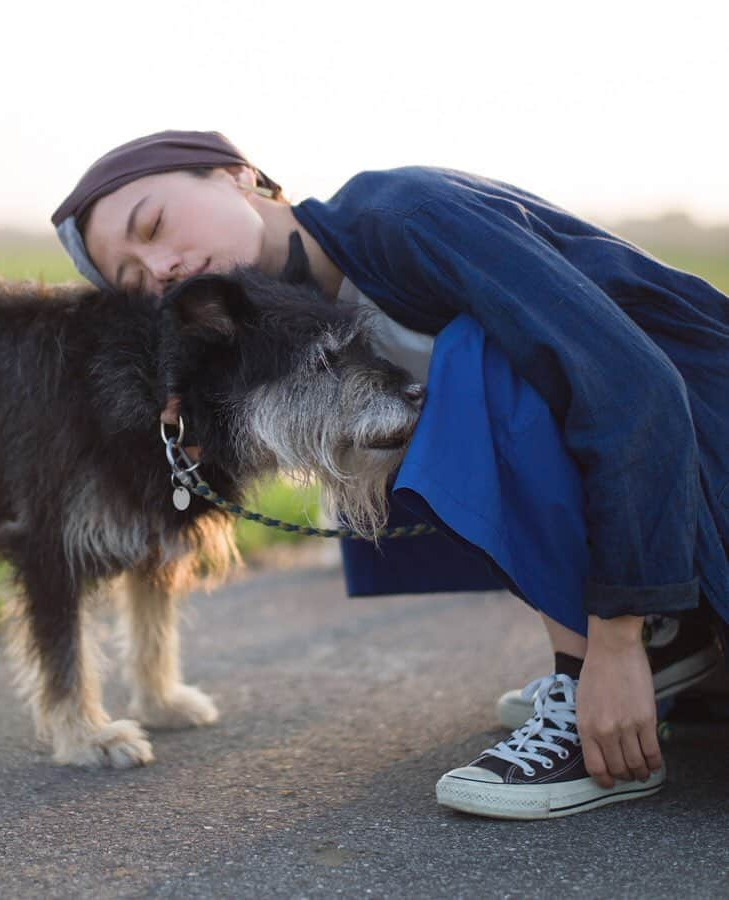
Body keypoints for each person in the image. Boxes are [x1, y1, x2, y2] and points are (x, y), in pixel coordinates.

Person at [51, 130, 729, 819]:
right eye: (135, 278)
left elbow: (635, 389)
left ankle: (605, 665)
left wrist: (613, 646)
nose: (162, 267)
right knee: (378, 411)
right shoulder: (295, 312)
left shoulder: (399, 219)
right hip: (681, 482)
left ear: (237, 175)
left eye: (154, 225)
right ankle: (675, 634)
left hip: (710, 440)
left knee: (470, 360)